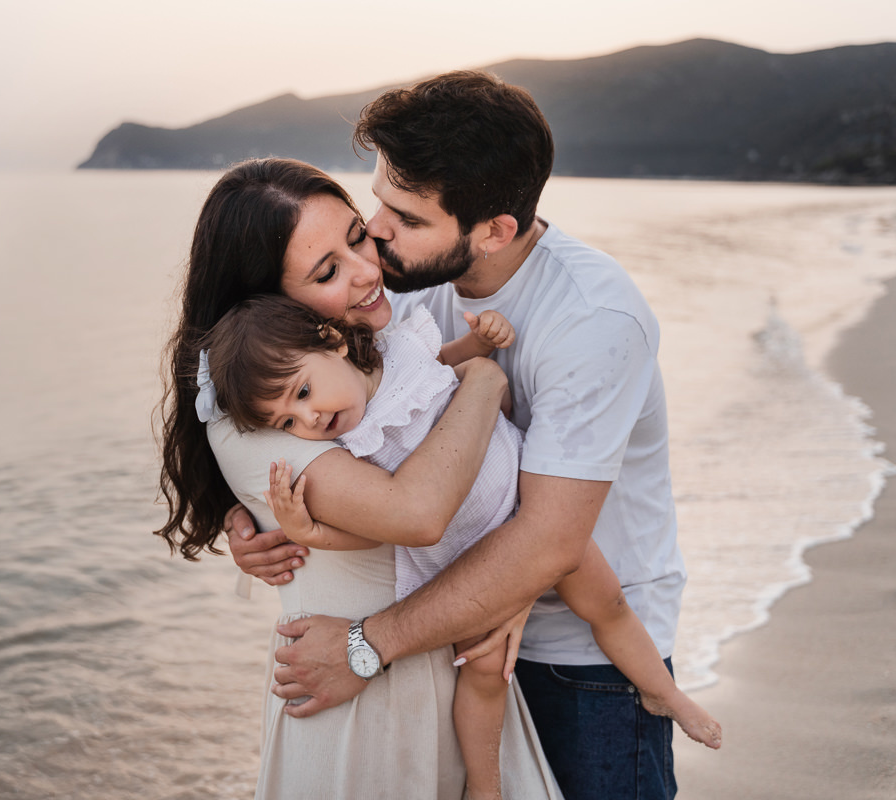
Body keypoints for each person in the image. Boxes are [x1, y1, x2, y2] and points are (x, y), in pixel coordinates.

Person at [227, 71, 693, 799]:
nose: (376, 232)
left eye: (406, 218)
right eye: (377, 200)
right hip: (451, 634)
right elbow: (311, 404)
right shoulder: (400, 289)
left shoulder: (594, 321)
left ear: (495, 231)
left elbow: (548, 541)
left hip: (584, 657)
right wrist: (254, 517)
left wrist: (359, 649)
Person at [155, 158, 562, 799]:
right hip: (359, 695)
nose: (369, 270)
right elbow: (420, 512)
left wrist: (516, 579)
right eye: (327, 271)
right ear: (265, 300)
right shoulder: (255, 421)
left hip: (450, 662)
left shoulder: (375, 337)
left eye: (355, 236)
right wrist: (484, 381)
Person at [204, 295, 721, 799]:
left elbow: (453, 365)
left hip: (529, 515)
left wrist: (480, 340)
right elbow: (382, 529)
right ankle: (485, 785)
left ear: (334, 342)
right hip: (471, 558)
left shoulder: (402, 351)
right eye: (288, 424)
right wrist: (310, 533)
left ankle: (662, 691)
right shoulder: (346, 450)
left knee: (609, 603)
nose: (309, 419)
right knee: (485, 672)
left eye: (304, 392)